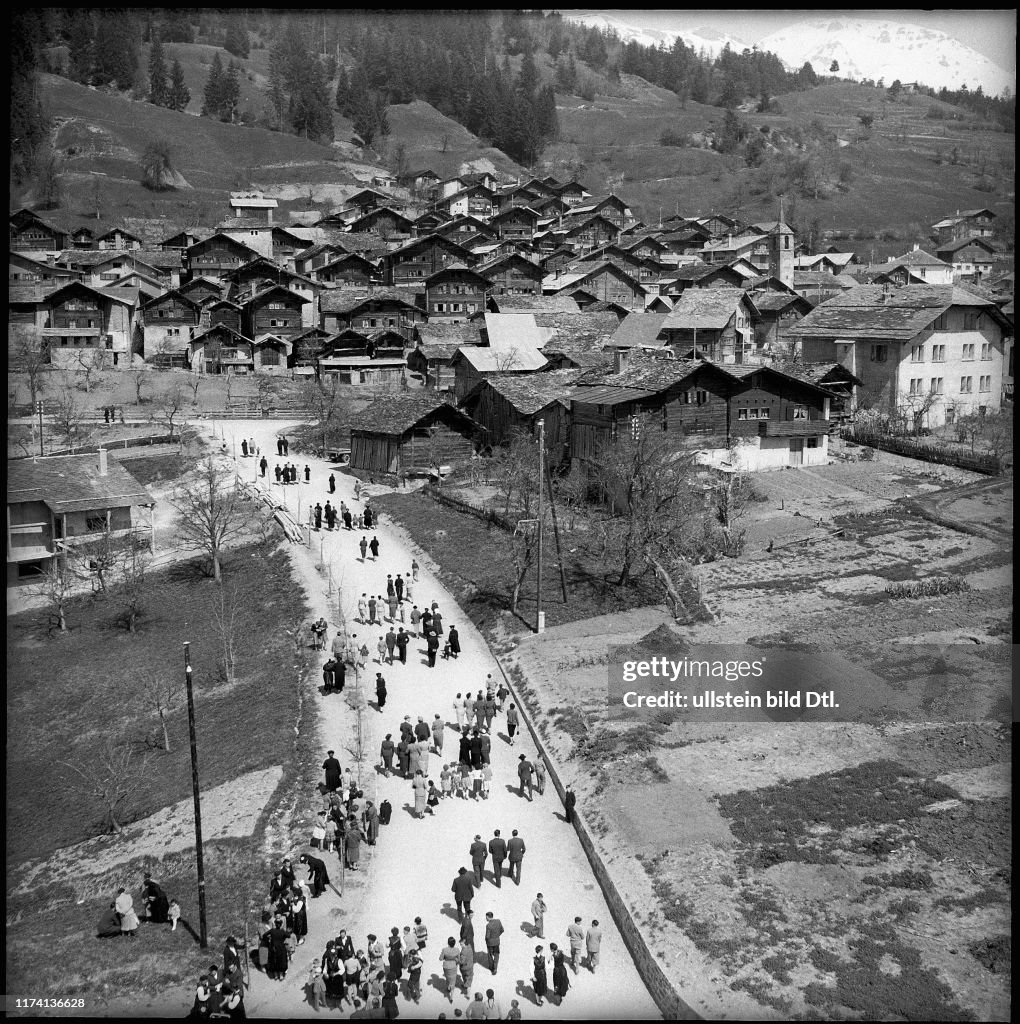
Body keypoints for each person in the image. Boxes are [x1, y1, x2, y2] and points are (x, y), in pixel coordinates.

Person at [439, 938, 460, 1003]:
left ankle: (448, 988)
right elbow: (459, 959)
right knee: (453, 980)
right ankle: (451, 997)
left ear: (448, 943)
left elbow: (440, 958)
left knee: (447, 977)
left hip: (446, 966)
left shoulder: (444, 950)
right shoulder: (457, 950)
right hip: (453, 965)